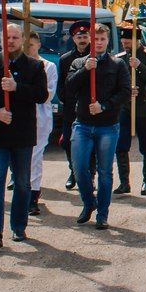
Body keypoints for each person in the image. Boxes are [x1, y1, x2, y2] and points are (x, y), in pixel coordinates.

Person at [0, 24, 48, 247]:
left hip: (22, 134)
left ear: (22, 39)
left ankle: (19, 227)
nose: (11, 41)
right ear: (1, 40)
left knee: (22, 183)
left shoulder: (34, 65)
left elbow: (42, 95)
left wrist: (17, 88)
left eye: (15, 37)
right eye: (7, 38)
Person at [64, 23, 131, 230]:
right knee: (79, 167)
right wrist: (85, 70)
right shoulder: (78, 62)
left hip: (107, 126)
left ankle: (102, 213)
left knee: (104, 171)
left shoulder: (117, 64)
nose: (99, 43)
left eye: (103, 39)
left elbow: (125, 92)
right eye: (96, 39)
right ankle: (88, 202)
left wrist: (104, 106)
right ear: (91, 40)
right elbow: (69, 88)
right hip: (83, 124)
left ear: (107, 41)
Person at [114, 25, 146, 196]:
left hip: (144, 107)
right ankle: (124, 183)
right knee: (120, 145)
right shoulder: (119, 59)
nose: (125, 43)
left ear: (137, 40)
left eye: (128, 40)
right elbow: (114, 84)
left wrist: (139, 66)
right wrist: (127, 92)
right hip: (125, 108)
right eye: (123, 40)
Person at [25, 32, 57, 217]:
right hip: (19, 118)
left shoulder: (48, 66)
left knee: (35, 158)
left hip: (39, 117)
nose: (28, 47)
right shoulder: (15, 65)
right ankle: (22, 191)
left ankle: (33, 196)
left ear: (38, 44)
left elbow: (48, 94)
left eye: (31, 43)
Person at [58, 21, 91, 191]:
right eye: (79, 37)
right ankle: (73, 172)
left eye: (85, 36)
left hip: (90, 108)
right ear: (73, 38)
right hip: (71, 109)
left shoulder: (96, 56)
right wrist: (66, 99)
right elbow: (61, 85)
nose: (83, 39)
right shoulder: (65, 59)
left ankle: (89, 174)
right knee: (67, 142)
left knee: (90, 143)